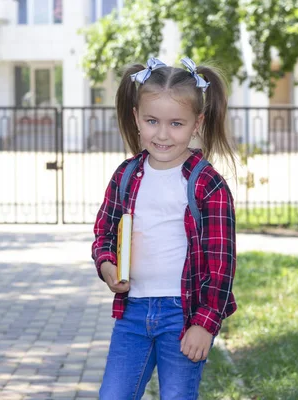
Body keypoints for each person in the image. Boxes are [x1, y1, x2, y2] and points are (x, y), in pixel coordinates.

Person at [91, 56, 237, 400]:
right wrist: (107, 265)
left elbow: (222, 264)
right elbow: (105, 232)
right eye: (152, 121)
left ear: (197, 123)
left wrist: (205, 324)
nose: (162, 134)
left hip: (184, 315)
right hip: (133, 313)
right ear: (136, 118)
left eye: (176, 123)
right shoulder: (126, 175)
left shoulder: (208, 184)